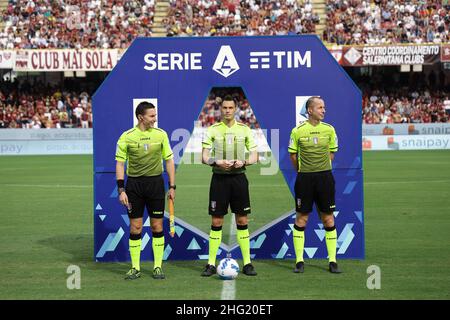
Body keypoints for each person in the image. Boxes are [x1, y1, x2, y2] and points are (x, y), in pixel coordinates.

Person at [115, 102, 175, 280]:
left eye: (155, 115)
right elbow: (120, 163)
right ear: (141, 117)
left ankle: (157, 267)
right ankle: (135, 268)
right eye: (151, 116)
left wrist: (172, 186)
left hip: (156, 184)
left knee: (157, 226)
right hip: (134, 186)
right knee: (136, 227)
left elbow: (169, 161)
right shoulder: (126, 137)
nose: (155, 119)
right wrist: (121, 189)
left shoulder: (161, 134)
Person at [201, 95, 259, 277]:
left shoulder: (245, 130)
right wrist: (216, 162)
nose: (227, 111)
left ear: (236, 109)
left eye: (230, 108)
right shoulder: (212, 130)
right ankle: (210, 263)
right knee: (216, 221)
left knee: (242, 220)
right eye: (224, 108)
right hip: (219, 180)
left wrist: (244, 162)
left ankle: (248, 263)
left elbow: (255, 156)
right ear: (220, 109)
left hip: (239, 179)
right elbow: (203, 157)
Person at [288, 96, 341, 274]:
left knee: (328, 218)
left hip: (325, 178)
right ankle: (299, 261)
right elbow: (293, 155)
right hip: (305, 179)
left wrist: (321, 169)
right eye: (320, 107)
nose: (323, 110)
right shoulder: (297, 131)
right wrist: (303, 172)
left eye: (324, 107)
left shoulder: (330, 130)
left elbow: (332, 153)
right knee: (302, 218)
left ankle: (333, 261)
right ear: (310, 110)